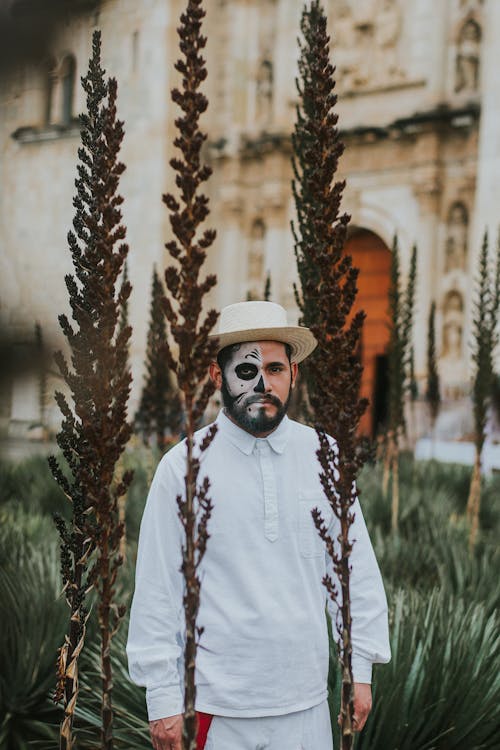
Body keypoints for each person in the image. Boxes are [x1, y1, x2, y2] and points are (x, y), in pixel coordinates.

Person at [127, 301, 391, 750]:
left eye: (274, 368)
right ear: (218, 377)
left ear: (293, 374)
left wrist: (357, 668)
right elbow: (159, 589)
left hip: (305, 707)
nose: (262, 383)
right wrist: (163, 699)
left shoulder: (323, 456)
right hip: (213, 709)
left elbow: (353, 572)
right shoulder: (183, 467)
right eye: (246, 371)